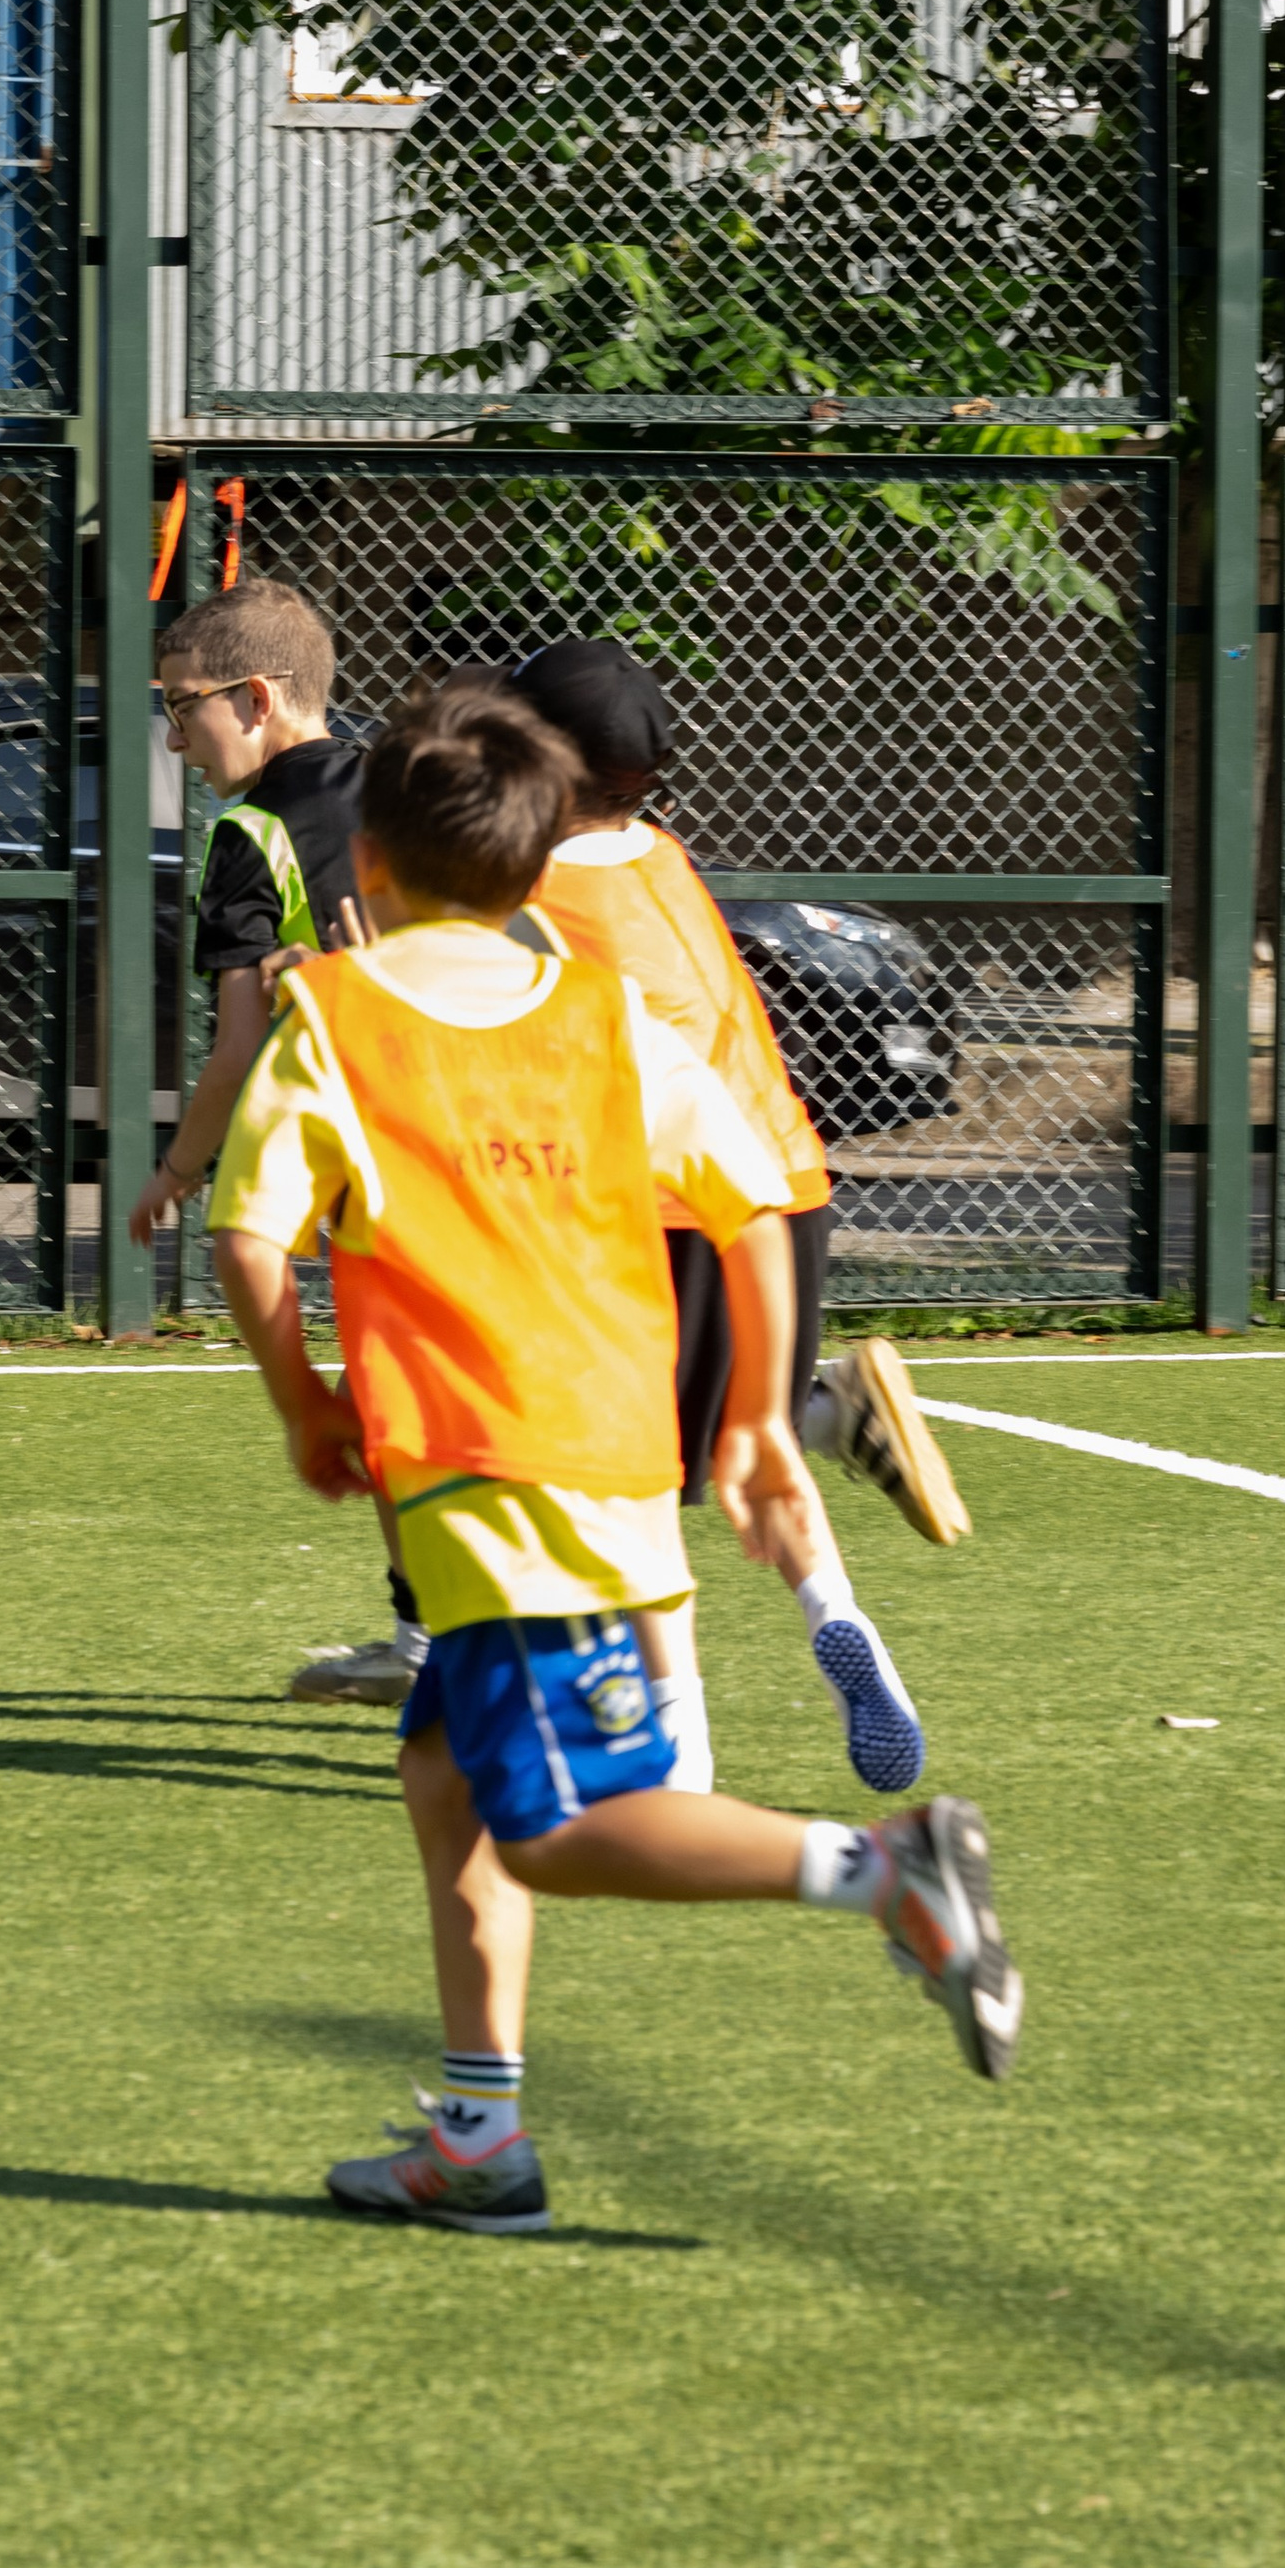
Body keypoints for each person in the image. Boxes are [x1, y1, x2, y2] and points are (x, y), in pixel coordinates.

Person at [205, 680, 1022, 2236]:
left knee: (559, 1830)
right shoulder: (602, 1018)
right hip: (601, 1454)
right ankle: (478, 2138)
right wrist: (766, 1415)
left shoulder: (336, 1021)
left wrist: (304, 1400)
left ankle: (890, 1872)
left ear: (363, 862)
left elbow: (252, 1242)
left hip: (499, 1485)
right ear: (537, 869)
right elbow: (754, 1195)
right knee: (445, 1779)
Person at [509, 636, 969, 1802]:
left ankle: (679, 1743)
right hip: (784, 1187)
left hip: (658, 1211)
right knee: (749, 1444)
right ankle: (836, 1610)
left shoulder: (530, 889)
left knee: (629, 1488)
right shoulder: (663, 857)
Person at [124, 575, 422, 1708]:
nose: (172, 736)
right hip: (502, 1126)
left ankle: (439, 1648)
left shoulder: (248, 836)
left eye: (181, 705)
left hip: (376, 1156)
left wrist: (176, 1171)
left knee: (392, 1395)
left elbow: (237, 1053)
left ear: (253, 701)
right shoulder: (412, 784)